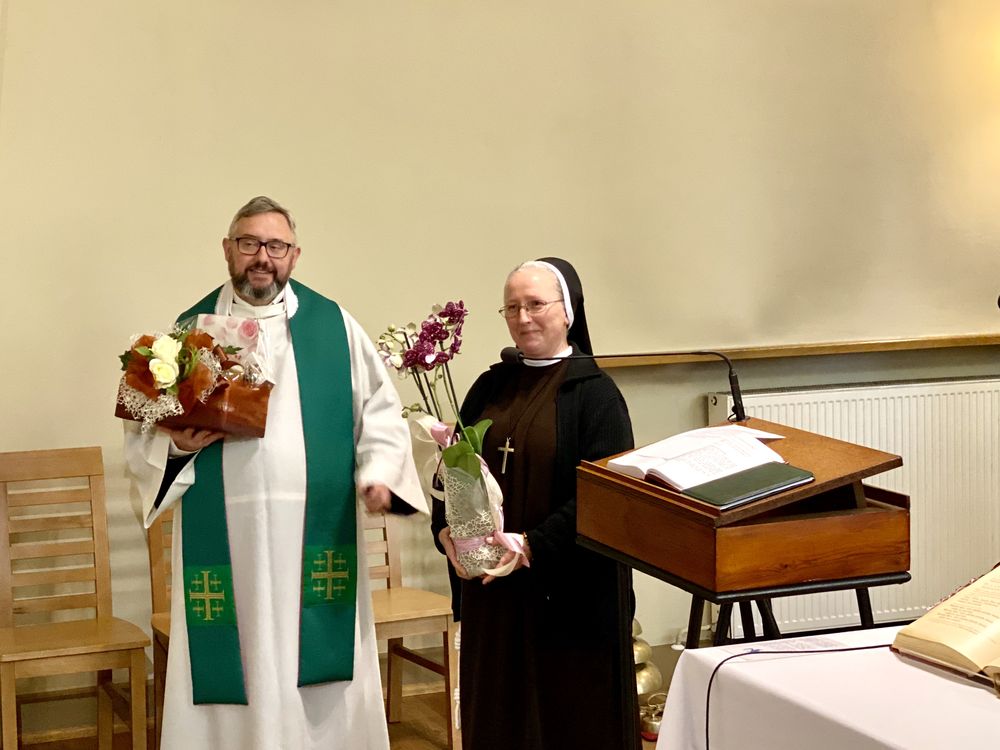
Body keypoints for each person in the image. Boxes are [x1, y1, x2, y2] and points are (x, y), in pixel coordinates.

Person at [125, 196, 425, 750]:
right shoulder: (189, 331)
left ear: (294, 255)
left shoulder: (334, 325)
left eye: (276, 246)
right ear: (227, 249)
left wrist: (380, 473)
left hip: (315, 530)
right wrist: (176, 447)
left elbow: (380, 411)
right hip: (227, 537)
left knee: (314, 660)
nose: (262, 257)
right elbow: (146, 430)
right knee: (233, 656)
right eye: (249, 243)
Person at [432, 257, 638, 749]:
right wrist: (446, 532)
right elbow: (452, 468)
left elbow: (603, 496)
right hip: (494, 591)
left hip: (565, 596)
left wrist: (531, 547)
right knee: (498, 718)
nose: (523, 318)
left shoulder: (597, 396)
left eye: (536, 305)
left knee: (565, 723)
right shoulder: (489, 386)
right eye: (512, 307)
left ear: (568, 311)